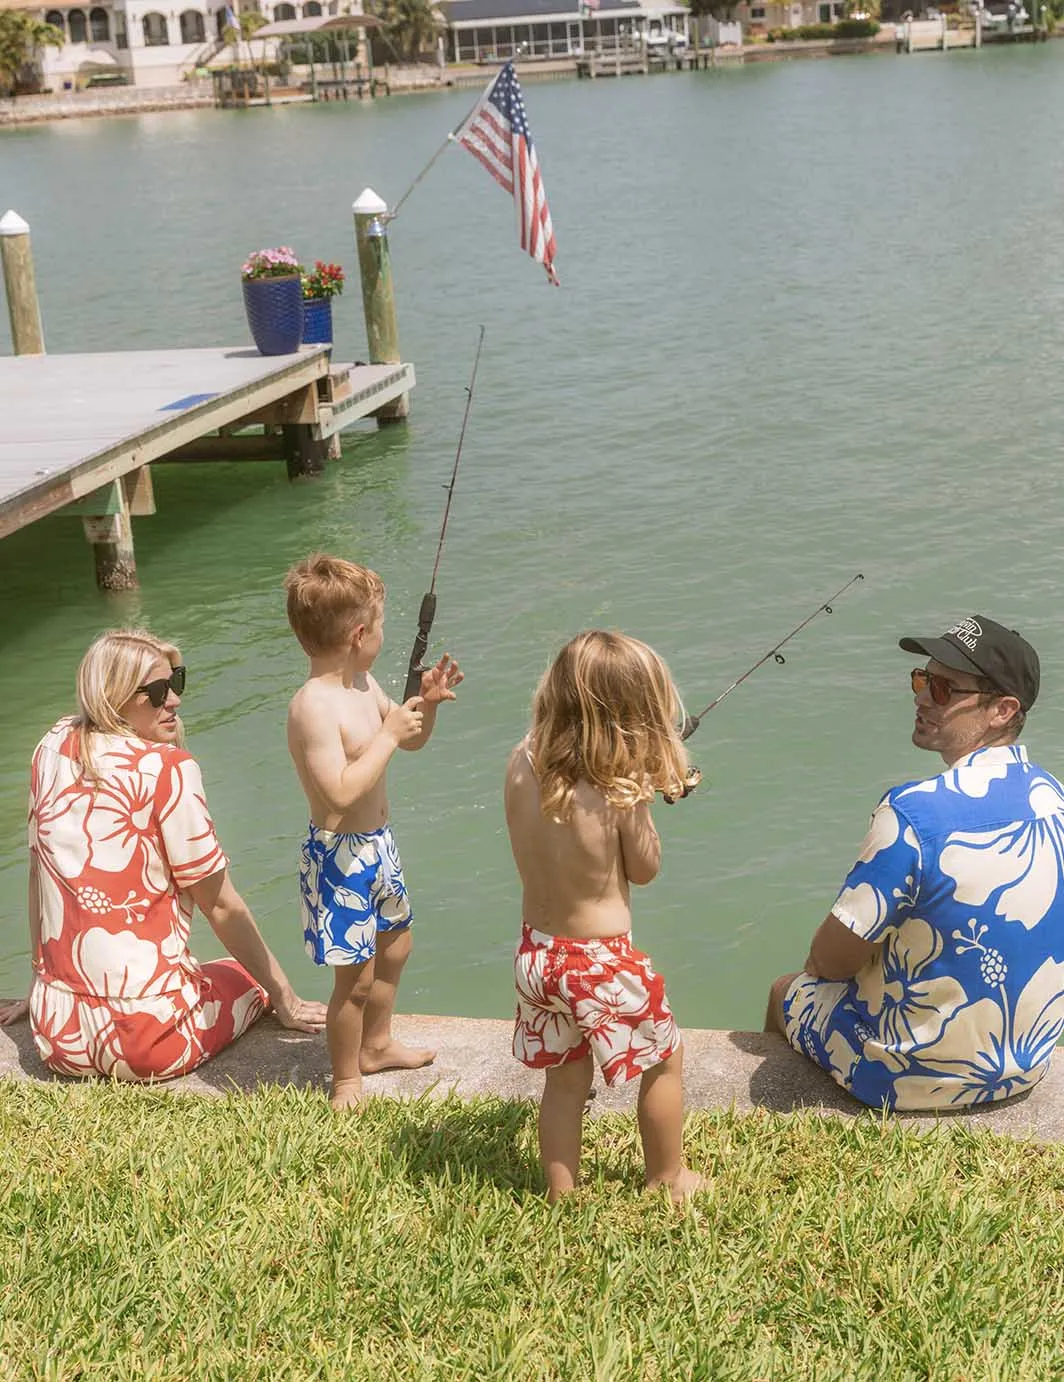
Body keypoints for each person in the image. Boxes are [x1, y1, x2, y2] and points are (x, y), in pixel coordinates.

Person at [767, 614, 1064, 1111]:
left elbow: (830, 961)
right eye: (922, 679)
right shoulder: (1055, 798)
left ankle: (785, 1115)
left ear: (1002, 709)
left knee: (786, 991)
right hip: (1025, 1064)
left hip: (907, 1078)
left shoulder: (912, 814)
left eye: (945, 689)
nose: (922, 697)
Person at [0, 629, 326, 1080]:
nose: (173, 700)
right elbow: (220, 904)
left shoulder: (52, 746)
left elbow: (39, 874)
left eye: (177, 682)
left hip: (57, 1035)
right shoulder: (168, 769)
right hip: (148, 1045)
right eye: (156, 691)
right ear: (115, 697)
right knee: (242, 974)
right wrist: (286, 999)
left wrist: (44, 982)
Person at [506, 630, 704, 1203]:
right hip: (599, 961)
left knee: (566, 1080)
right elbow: (645, 869)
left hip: (537, 953)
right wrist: (645, 796)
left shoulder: (521, 760)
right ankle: (669, 1177)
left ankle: (561, 1192)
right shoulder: (619, 791)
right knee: (666, 1059)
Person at [284, 554, 463, 1111]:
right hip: (338, 858)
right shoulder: (313, 706)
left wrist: (426, 706)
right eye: (380, 626)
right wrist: (386, 735)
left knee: (397, 947)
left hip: (378, 849)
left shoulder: (364, 683)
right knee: (354, 981)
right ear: (359, 634)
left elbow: (406, 739)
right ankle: (345, 1079)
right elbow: (338, 794)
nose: (382, 636)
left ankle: (378, 1044)